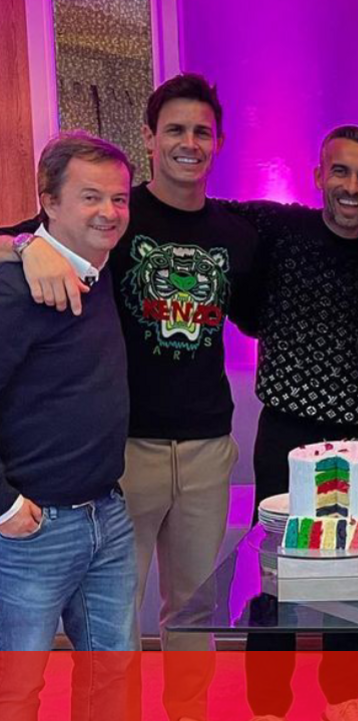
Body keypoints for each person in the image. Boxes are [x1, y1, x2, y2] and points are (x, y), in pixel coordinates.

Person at [3, 73, 263, 721]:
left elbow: (261, 306)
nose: (188, 142)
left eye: (202, 131)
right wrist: (26, 246)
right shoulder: (108, 224)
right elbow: (19, 235)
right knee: (77, 647)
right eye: (174, 129)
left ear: (219, 142)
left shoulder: (233, 231)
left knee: (183, 614)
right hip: (122, 457)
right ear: (149, 137)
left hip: (192, 453)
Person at [221, 124, 358, 721]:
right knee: (276, 575)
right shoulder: (280, 228)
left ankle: (343, 693)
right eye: (340, 171)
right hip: (286, 435)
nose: (351, 187)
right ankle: (269, 701)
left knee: (354, 573)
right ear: (318, 176)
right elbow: (198, 213)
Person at [0, 132, 136, 719]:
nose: (109, 212)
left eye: (119, 198)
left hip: (107, 514)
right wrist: (4, 506)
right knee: (15, 691)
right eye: (90, 197)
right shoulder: (14, 289)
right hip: (31, 531)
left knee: (112, 679)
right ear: (49, 202)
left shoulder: (102, 269)